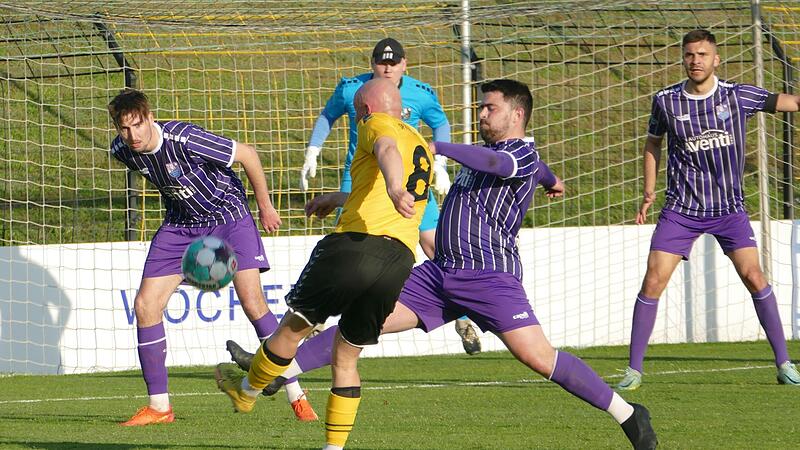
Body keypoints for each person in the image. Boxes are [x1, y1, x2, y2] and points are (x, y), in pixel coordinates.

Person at [236, 79, 660, 449]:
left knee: (539, 358)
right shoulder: (510, 158)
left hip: (489, 277)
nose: (481, 113)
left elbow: (502, 164)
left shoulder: (516, 155)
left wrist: (435, 146)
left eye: (489, 107)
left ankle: (627, 413)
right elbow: (525, 168)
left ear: (517, 113)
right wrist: (552, 181)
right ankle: (277, 371)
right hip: (439, 274)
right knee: (358, 326)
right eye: (481, 106)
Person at [214, 78, 433, 450]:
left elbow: (385, 150)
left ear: (364, 110)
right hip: (398, 260)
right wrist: (336, 197)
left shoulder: (375, 123)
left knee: (295, 326)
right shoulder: (420, 142)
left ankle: (247, 393)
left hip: (354, 247)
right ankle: (333, 449)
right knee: (346, 356)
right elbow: (376, 185)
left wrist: (395, 187)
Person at [106, 88, 317, 426]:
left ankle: (297, 394)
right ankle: (159, 407)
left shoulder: (185, 138)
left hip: (229, 217)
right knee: (145, 306)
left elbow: (247, 154)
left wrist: (265, 207)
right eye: (124, 128)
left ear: (149, 118)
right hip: (181, 225)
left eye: (137, 125)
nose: (132, 135)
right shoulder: (122, 150)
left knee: (252, 303)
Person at [616, 29, 800, 391]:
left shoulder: (738, 95)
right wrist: (649, 189)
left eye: (702, 54)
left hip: (729, 209)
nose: (695, 60)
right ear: (683, 59)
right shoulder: (666, 101)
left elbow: (788, 102)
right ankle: (633, 371)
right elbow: (653, 143)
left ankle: (784, 364)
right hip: (681, 209)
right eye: (689, 55)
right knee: (653, 281)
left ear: (716, 60)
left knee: (755, 277)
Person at [298, 36, 481, 355]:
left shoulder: (421, 93)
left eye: (393, 62)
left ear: (404, 64)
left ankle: (463, 315)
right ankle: (317, 318)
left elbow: (440, 124)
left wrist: (439, 164)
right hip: (362, 181)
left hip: (409, 182)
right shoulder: (352, 89)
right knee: (345, 246)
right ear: (372, 64)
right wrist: (313, 151)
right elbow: (328, 116)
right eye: (381, 62)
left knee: (434, 244)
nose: (387, 67)